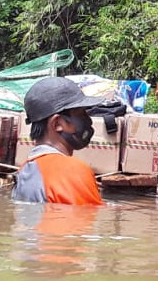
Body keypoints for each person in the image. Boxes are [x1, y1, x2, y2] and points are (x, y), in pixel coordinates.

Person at [11, 77, 105, 205]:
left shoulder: (25, 170)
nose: (88, 120)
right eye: (81, 114)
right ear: (57, 124)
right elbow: (87, 220)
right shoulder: (72, 171)